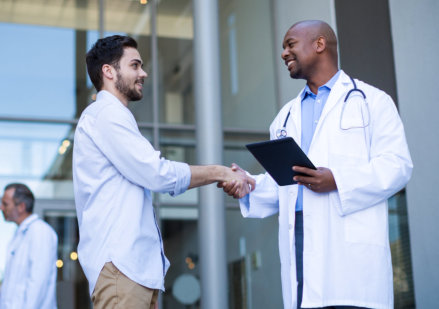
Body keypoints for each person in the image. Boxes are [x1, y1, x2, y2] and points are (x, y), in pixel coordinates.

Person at [220, 20, 413, 309]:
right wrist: (249, 184)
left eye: (290, 44)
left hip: (350, 254)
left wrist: (337, 179)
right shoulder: (285, 117)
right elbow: (285, 182)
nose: (284, 53)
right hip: (300, 242)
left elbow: (397, 167)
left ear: (319, 44)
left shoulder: (372, 102)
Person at [73, 35, 254, 309]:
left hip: (133, 273)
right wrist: (220, 172)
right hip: (122, 270)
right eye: (134, 65)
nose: (143, 73)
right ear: (108, 71)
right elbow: (157, 173)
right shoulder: (105, 114)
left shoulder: (112, 116)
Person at [0, 183, 58, 309]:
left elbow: (38, 282)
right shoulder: (20, 234)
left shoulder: (40, 232)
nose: (1, 208)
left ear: (21, 206)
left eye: (5, 204)